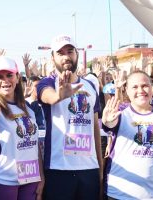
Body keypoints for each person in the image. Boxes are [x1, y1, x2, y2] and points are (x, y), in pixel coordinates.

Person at [37, 35, 103, 200]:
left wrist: (100, 169)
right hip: (58, 169)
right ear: (53, 58)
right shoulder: (47, 83)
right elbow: (49, 97)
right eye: (60, 53)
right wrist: (60, 96)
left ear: (77, 55)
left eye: (70, 51)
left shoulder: (90, 86)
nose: (66, 56)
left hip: (89, 170)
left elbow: (95, 129)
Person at [102, 70, 153, 200]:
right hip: (121, 194)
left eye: (145, 85)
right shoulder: (120, 113)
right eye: (135, 87)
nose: (141, 90)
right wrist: (107, 121)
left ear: (151, 86)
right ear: (127, 90)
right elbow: (109, 124)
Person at [0, 56, 44, 200]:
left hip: (30, 178)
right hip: (4, 180)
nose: (5, 80)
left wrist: (41, 176)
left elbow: (35, 146)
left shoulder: (28, 108)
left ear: (17, 77)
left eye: (9, 75)